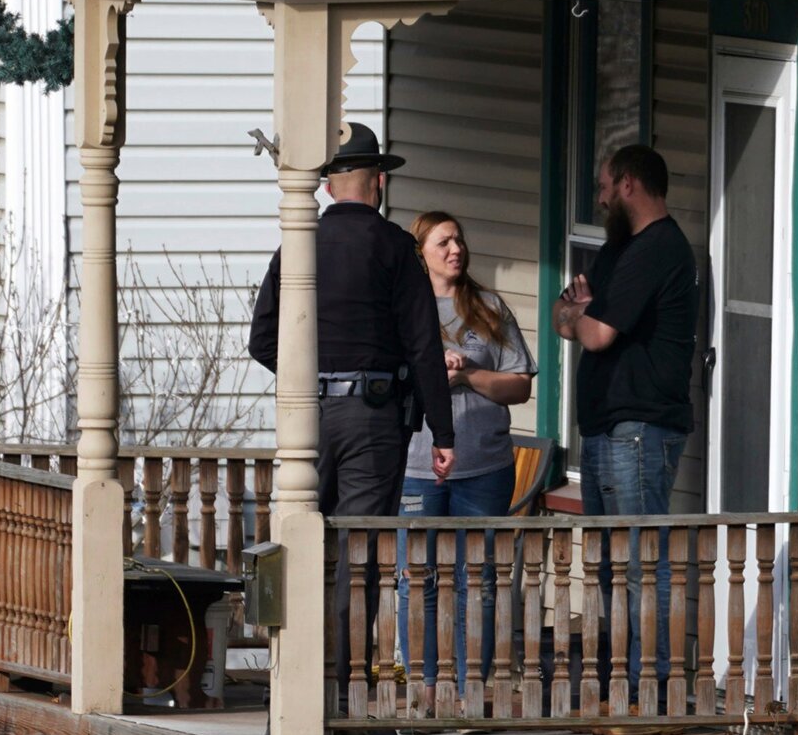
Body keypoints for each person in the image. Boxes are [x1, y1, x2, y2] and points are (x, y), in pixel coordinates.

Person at [551, 143, 699, 699]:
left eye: (605, 185)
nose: (601, 196)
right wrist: (577, 315)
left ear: (630, 185)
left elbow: (594, 332)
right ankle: (618, 679)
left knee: (640, 558)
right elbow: (566, 314)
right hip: (604, 429)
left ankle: (651, 685)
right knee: (608, 563)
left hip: (638, 430)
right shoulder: (619, 249)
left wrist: (579, 317)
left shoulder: (657, 249)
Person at [248, 122, 455, 513]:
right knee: (360, 546)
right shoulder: (396, 246)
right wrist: (443, 434)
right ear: (379, 181)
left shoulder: (296, 244)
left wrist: (306, 378)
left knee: (305, 531)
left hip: (306, 414)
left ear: (328, 188)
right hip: (371, 417)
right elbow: (423, 346)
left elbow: (261, 341)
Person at [399, 212, 535, 684]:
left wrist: (469, 374)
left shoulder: (489, 308)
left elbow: (519, 388)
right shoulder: (403, 307)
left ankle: (471, 686)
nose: (456, 249)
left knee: (476, 582)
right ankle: (425, 687)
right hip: (418, 466)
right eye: (443, 242)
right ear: (422, 253)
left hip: (483, 467)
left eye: (459, 240)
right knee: (419, 581)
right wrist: (430, 370)